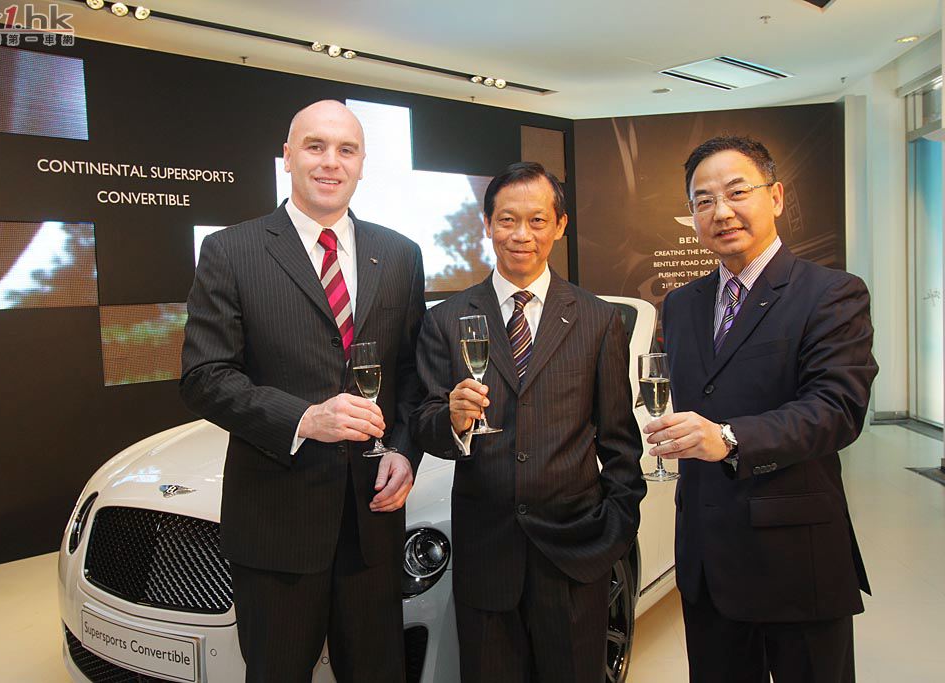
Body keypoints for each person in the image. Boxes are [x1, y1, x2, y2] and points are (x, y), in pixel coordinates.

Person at [180, 100, 425, 683]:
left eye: (346, 150)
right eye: (315, 146)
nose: (330, 162)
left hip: (372, 523)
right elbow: (204, 376)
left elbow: (413, 374)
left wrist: (404, 450)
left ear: (362, 164)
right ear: (287, 156)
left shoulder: (399, 254)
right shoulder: (231, 251)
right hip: (277, 526)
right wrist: (305, 419)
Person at [644, 136, 878, 683]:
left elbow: (837, 409)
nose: (721, 212)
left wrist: (729, 438)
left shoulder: (831, 293)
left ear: (774, 196)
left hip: (795, 556)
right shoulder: (680, 304)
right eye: (703, 201)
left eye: (737, 192)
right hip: (706, 557)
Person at [411, 162, 646, 683]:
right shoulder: (445, 319)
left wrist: (613, 533)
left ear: (560, 226)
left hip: (573, 553)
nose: (522, 234)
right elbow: (424, 423)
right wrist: (452, 419)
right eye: (507, 220)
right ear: (487, 224)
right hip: (487, 556)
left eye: (537, 220)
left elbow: (619, 441)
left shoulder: (597, 319)